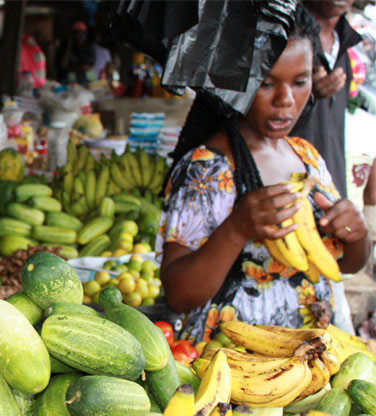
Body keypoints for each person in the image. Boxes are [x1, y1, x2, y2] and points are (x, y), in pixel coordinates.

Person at [157, 7, 370, 343]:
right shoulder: (208, 169)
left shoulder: (307, 158)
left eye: (300, 82)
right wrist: (237, 229)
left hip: (308, 361)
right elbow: (179, 295)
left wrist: (357, 236)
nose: (285, 101)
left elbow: (343, 265)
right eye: (266, 84)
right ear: (236, 83)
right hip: (235, 366)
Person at [290, 0, 361, 198]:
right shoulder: (285, 34)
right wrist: (307, 96)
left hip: (327, 190)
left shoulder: (343, 48)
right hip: (285, 186)